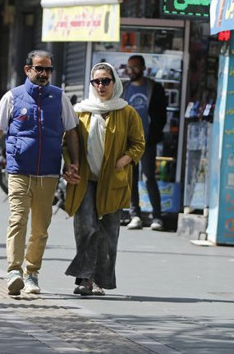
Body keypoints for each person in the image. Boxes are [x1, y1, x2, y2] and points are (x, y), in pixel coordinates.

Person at [0, 49, 80, 296]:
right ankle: (14, 271)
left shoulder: (59, 98)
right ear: (27, 69)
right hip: (19, 171)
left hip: (49, 174)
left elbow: (72, 131)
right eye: (39, 68)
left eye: (48, 70)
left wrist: (73, 163)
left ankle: (32, 273)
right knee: (17, 220)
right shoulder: (12, 97)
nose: (43, 74)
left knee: (40, 228)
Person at [64, 62, 144, 295]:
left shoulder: (126, 111)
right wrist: (69, 164)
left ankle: (99, 280)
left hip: (113, 180)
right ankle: (85, 279)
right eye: (96, 81)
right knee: (86, 227)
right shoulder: (80, 110)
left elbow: (138, 143)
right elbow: (67, 143)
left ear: (114, 83)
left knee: (109, 233)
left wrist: (125, 160)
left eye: (105, 81)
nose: (101, 86)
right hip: (85, 179)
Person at [123, 54, 167, 231]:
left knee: (149, 177)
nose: (131, 71)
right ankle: (135, 215)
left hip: (147, 141)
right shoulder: (124, 88)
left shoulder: (153, 88)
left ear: (143, 68)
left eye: (135, 67)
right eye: (129, 67)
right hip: (128, 142)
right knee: (130, 178)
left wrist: (152, 136)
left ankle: (157, 216)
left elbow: (161, 116)